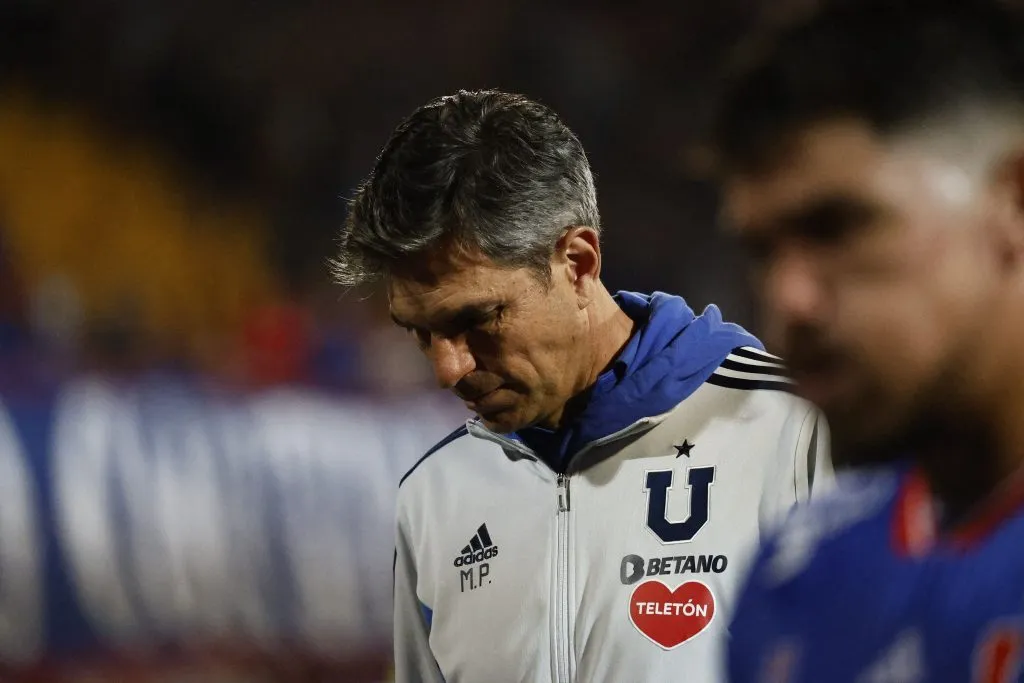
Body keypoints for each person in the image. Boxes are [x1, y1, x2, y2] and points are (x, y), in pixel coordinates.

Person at [332, 89, 831, 683]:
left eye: (475, 321)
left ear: (578, 262)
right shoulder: (434, 498)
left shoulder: (794, 433)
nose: (448, 369)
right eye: (421, 333)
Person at [710, 0, 1024, 680]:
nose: (789, 298)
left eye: (839, 226)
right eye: (762, 252)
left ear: (1015, 204)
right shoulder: (799, 576)